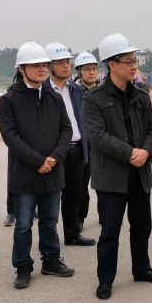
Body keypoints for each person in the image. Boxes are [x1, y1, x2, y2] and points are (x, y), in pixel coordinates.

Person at [82, 33, 152, 300]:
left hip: (140, 174)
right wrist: (131, 153)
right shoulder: (93, 98)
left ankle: (142, 269)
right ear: (112, 64)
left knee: (142, 226)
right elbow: (98, 136)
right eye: (128, 61)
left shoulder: (141, 95)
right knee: (110, 231)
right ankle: (105, 280)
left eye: (135, 61)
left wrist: (147, 151)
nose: (133, 66)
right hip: (111, 178)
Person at [0, 42, 74, 289]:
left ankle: (51, 260)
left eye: (44, 65)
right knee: (23, 224)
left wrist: (55, 157)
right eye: (35, 65)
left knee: (50, 221)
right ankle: (23, 266)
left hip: (52, 171)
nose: (42, 69)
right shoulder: (9, 100)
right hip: (25, 174)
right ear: (21, 69)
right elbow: (10, 136)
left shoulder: (54, 97)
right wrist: (37, 161)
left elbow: (66, 130)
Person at [44, 43, 95, 247]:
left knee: (74, 194)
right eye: (60, 62)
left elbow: (83, 119)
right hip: (54, 151)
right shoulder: (44, 90)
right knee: (50, 197)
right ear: (49, 65)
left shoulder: (75, 90)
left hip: (76, 148)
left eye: (68, 61)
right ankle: (49, 241)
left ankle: (72, 234)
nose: (66, 65)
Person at [73, 51, 99, 231]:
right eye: (86, 69)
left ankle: (107, 215)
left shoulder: (104, 91)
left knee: (105, 185)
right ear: (79, 72)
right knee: (81, 186)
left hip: (103, 145)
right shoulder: (74, 93)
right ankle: (80, 218)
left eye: (93, 69)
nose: (91, 72)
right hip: (83, 146)